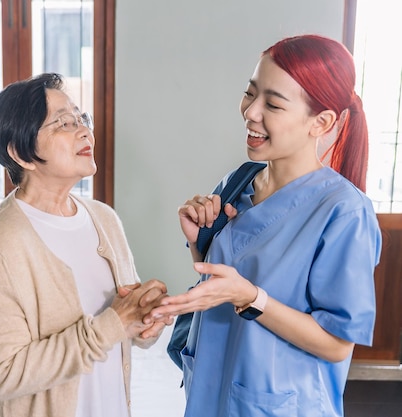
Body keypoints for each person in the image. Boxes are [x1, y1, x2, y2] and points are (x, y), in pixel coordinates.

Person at [148, 34, 382, 416]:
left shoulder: (343, 212)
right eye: (250, 93)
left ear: (320, 122)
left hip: (278, 404)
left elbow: (337, 344)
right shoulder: (237, 182)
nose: (251, 112)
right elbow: (223, 277)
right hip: (213, 390)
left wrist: (251, 298)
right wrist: (199, 243)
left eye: (273, 104)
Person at [0, 73, 170, 417]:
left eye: (80, 118)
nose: (84, 131)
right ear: (21, 153)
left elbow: (122, 328)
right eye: (62, 124)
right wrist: (113, 325)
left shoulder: (104, 219)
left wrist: (146, 319)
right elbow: (0, 376)